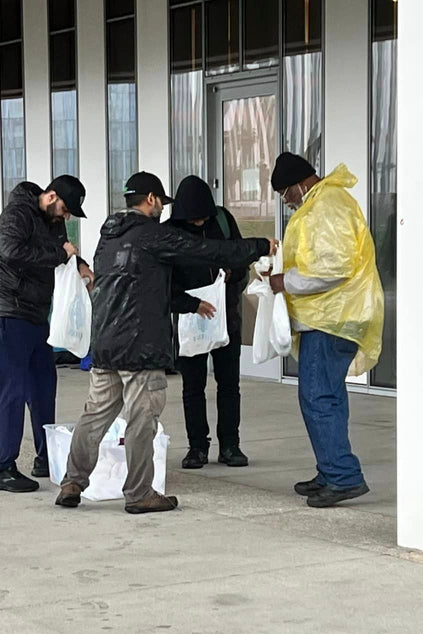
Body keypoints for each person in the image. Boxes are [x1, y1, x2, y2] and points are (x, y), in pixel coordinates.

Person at [55, 172, 276, 514]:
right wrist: (259, 247)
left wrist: (191, 304)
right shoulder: (154, 235)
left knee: (95, 415)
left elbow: (149, 287)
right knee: (142, 420)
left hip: (106, 344)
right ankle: (140, 493)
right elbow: (206, 250)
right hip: (140, 347)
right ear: (152, 200)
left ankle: (72, 481)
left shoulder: (108, 237)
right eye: (161, 202)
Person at [265, 152, 384, 509]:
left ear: (302, 182)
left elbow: (332, 267)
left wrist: (283, 281)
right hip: (333, 316)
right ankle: (330, 469)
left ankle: (342, 476)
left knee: (317, 397)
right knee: (328, 396)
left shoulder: (326, 205)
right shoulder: (325, 202)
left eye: (287, 192)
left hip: (332, 318)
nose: (286, 201)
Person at [0, 174, 94, 493]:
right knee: (12, 389)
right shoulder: (16, 214)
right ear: (50, 197)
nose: (66, 217)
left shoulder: (52, 221)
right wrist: (61, 256)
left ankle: (46, 457)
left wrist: (80, 264)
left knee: (43, 384)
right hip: (6, 310)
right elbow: (9, 251)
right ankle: (4, 468)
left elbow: (62, 249)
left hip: (34, 312)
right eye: (65, 209)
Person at [168, 175, 250, 470]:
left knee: (229, 384)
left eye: (204, 218)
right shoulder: (170, 232)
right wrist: (190, 304)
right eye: (194, 220)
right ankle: (197, 447)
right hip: (191, 320)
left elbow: (242, 257)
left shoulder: (224, 221)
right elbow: (164, 283)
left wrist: (232, 274)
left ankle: (230, 445)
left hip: (226, 317)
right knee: (192, 386)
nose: (200, 223)